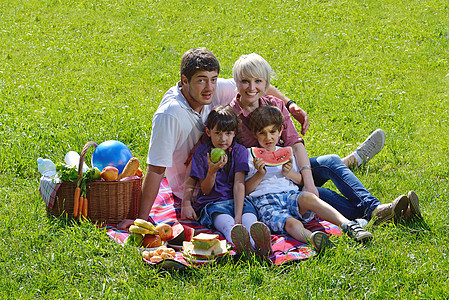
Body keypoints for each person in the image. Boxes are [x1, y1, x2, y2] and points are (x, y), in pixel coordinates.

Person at [118, 48, 310, 229]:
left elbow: (258, 85)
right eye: (201, 80)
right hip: (199, 190)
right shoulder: (170, 115)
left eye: (213, 79)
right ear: (185, 80)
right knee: (317, 182)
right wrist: (140, 220)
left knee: (323, 168)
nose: (209, 88)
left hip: (234, 178)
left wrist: (290, 104)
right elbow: (156, 170)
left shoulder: (212, 89)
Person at [228, 53, 422, 225]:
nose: (252, 87)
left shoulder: (275, 104)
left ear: (266, 84)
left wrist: (308, 181)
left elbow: (295, 145)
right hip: (263, 183)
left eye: (258, 81)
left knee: (329, 161)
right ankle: (385, 214)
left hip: (288, 170)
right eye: (245, 81)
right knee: (322, 196)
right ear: (236, 82)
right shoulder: (230, 117)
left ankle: (376, 208)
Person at [243, 105, 373, 252]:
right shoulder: (249, 155)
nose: (268, 137)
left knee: (309, 198)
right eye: (262, 133)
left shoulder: (286, 152)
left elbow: (300, 181)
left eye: (273, 132)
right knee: (291, 223)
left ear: (280, 132)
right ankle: (313, 239)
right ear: (254, 134)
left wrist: (289, 173)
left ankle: (348, 225)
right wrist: (259, 174)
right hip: (264, 201)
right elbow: (246, 190)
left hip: (290, 194)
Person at [189, 105, 269, 254]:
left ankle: (259, 243)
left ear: (234, 134)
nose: (223, 139)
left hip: (238, 201)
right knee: (228, 224)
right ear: (208, 132)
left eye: (228, 133)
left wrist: (238, 214)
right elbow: (205, 191)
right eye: (217, 133)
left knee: (249, 221)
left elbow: (239, 185)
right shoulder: (201, 153)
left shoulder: (238, 151)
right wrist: (212, 171)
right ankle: (243, 247)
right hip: (213, 204)